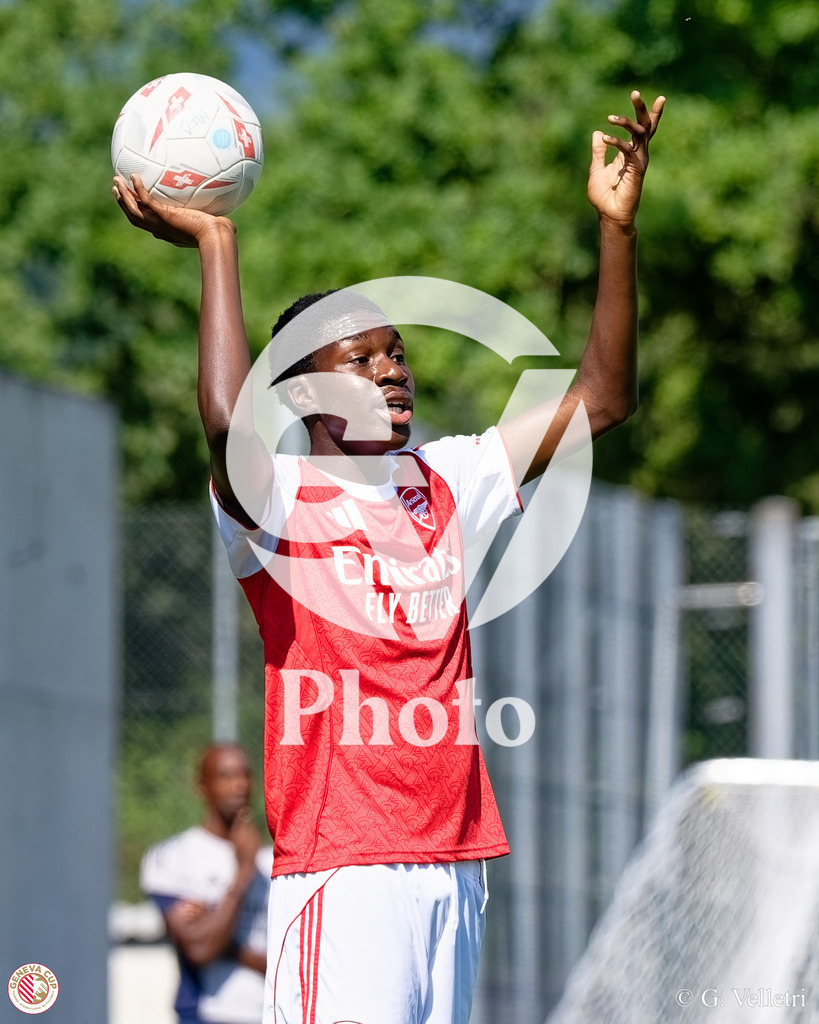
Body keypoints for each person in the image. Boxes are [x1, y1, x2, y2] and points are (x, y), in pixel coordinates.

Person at [115, 90, 665, 1024]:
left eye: (395, 354)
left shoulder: (448, 479)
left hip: (451, 868)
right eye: (360, 362)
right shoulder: (275, 504)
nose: (391, 371)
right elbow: (222, 416)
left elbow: (602, 398)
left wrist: (615, 231)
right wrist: (218, 245)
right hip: (343, 874)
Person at [141, 743, 274, 1024]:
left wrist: (223, 941)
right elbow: (199, 950)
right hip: (206, 1014)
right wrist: (243, 873)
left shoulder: (275, 859)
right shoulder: (172, 857)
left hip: (270, 1014)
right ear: (202, 786)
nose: (239, 785)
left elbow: (289, 960)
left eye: (245, 775)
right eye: (225, 776)